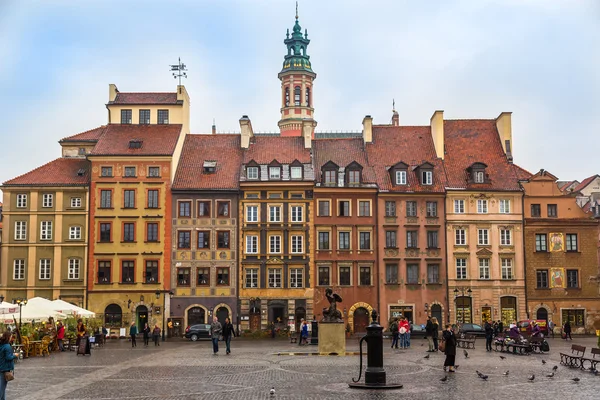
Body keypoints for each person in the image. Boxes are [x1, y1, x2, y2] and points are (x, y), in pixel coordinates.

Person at [0, 332, 16, 399]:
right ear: (8, 337)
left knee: (2, 387)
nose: (11, 338)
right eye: (11, 337)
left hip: (1, 367)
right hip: (5, 368)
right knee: (2, 387)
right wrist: (15, 355)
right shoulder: (7, 346)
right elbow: (8, 357)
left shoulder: (1, 345)